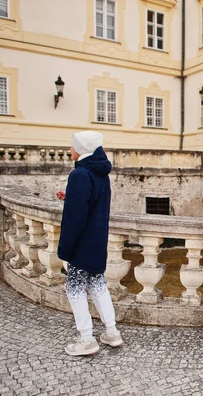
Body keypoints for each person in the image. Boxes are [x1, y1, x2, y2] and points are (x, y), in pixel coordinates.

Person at [56, 131, 123, 356]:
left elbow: (76, 218)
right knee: (97, 284)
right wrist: (70, 196)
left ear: (81, 149)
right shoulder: (100, 173)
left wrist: (65, 248)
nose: (70, 150)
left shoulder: (80, 175)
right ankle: (112, 332)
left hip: (81, 243)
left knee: (74, 288)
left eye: (72, 146)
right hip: (97, 240)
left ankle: (87, 339)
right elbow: (94, 202)